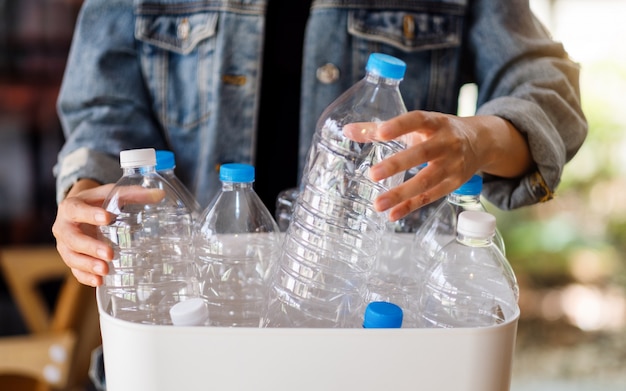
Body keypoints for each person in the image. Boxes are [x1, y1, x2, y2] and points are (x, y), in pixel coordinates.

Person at [52, 0, 587, 288]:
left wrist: (478, 136)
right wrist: (88, 193)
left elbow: (546, 86)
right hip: (199, 317)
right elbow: (102, 108)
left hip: (375, 327)